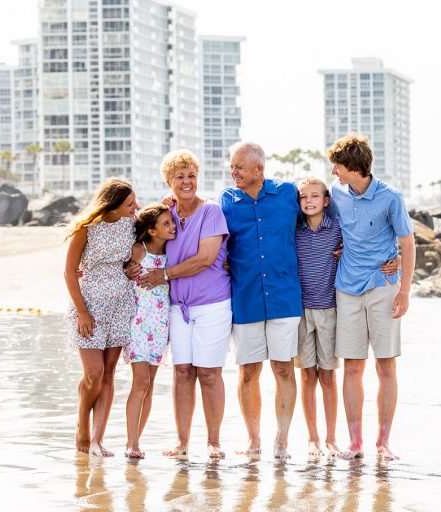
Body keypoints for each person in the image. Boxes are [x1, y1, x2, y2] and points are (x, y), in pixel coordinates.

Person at [294, 177, 400, 460]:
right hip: (302, 311)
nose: (308, 201)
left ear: (326, 201)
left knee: (328, 374)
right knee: (307, 375)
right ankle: (312, 438)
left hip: (331, 308)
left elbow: (369, 242)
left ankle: (331, 438)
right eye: (303, 197)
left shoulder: (337, 229)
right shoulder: (294, 230)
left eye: (315, 196)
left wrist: (397, 258)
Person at [139, 149, 232, 460]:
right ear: (169, 181)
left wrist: (163, 275)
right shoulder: (165, 215)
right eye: (179, 177)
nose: (187, 181)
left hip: (212, 304)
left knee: (208, 373)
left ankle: (214, 442)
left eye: (191, 175)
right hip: (177, 307)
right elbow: (141, 239)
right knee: (181, 372)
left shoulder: (212, 212)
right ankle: (182, 443)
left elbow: (206, 259)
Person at [327, 134, 415, 461]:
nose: (333, 171)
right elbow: (313, 218)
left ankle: (384, 442)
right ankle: (354, 443)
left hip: (383, 286)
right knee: (352, 367)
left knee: (386, 366)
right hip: (346, 287)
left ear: (353, 167)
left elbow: (408, 243)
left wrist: (404, 291)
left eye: (338, 165)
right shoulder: (335, 194)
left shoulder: (391, 198)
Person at [219, 141, 302, 460]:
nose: (233, 172)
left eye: (239, 167)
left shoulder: (287, 194)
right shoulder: (226, 200)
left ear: (259, 170)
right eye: (232, 166)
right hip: (246, 298)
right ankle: (254, 440)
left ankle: (281, 439)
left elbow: (324, 219)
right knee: (248, 371)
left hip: (284, 297)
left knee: (283, 369)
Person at [64, 178, 138, 457]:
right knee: (93, 374)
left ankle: (96, 440)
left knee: (108, 375)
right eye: (130, 203)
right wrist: (82, 312)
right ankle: (82, 423)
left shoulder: (132, 224)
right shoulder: (86, 229)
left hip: (121, 304)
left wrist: (132, 266)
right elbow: (70, 272)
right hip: (90, 307)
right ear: (114, 206)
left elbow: (157, 230)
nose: (135, 207)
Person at [122, 204, 176, 459]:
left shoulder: (172, 252)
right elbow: (118, 271)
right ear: (152, 231)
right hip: (138, 324)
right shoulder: (138, 250)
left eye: (172, 222)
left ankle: (136, 441)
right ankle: (131, 443)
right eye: (166, 224)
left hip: (160, 325)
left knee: (151, 385)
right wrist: (125, 270)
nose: (172, 227)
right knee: (140, 382)